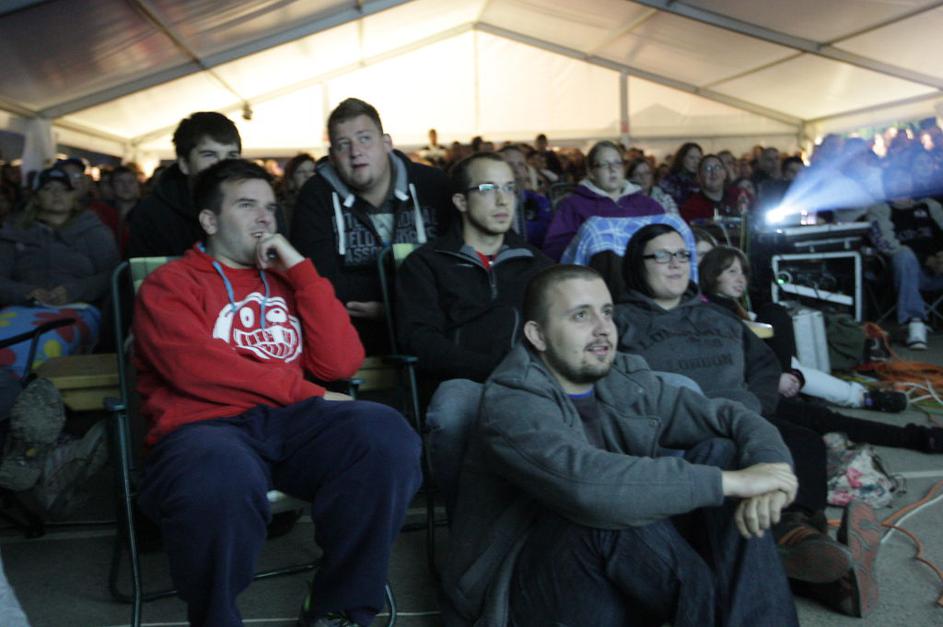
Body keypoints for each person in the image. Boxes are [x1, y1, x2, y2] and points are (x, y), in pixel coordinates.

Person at [132, 159, 422, 627]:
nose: (264, 218)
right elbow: (194, 370)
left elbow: (341, 363)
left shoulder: (289, 281)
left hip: (292, 424)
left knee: (386, 434)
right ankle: (216, 618)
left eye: (270, 207)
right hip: (205, 426)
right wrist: (306, 392)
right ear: (209, 220)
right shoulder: (169, 285)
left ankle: (340, 605)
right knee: (218, 475)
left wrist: (301, 270)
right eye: (247, 205)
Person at [443, 263, 802, 626]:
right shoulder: (512, 397)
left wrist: (770, 469)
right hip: (523, 589)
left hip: (617, 568)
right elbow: (587, 486)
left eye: (607, 312)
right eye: (581, 315)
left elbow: (733, 416)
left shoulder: (625, 378)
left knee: (723, 452)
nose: (603, 329)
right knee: (611, 510)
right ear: (538, 335)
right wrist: (732, 482)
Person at [612, 224, 882, 617]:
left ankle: (798, 531)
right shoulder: (621, 320)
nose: (676, 264)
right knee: (725, 457)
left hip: (744, 419)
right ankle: (812, 561)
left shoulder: (719, 316)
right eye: (662, 256)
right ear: (638, 265)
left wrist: (755, 406)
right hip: (680, 430)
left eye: (683, 255)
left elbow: (764, 366)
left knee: (803, 441)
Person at [700, 246, 940, 452]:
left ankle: (914, 433)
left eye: (743, 272)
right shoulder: (709, 313)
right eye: (732, 272)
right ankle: (916, 436)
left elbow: (756, 338)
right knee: (823, 421)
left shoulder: (731, 309)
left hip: (764, 386)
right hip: (748, 396)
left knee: (776, 317)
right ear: (712, 274)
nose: (741, 279)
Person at [290, 98, 452, 355]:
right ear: (332, 156)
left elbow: (455, 268)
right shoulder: (315, 196)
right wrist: (411, 296)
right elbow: (319, 279)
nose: (355, 152)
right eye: (343, 145)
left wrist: (396, 306)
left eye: (365, 138)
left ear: (387, 143)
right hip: (354, 341)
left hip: (438, 332)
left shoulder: (433, 185)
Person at [395, 153, 553, 387]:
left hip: (532, 384)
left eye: (509, 188)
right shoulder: (425, 264)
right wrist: (498, 371)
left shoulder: (538, 264)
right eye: (487, 188)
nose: (502, 200)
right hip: (460, 385)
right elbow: (421, 342)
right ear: (461, 201)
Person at [128, 111, 247, 257]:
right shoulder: (152, 215)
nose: (223, 164)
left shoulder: (258, 206)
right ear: (184, 164)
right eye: (210, 155)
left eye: (232, 155)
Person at [542, 140, 663, 261]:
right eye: (604, 164)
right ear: (591, 172)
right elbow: (554, 250)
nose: (612, 169)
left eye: (617, 163)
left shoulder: (648, 204)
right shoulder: (573, 205)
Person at [868, 163, 943, 349]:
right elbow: (885, 243)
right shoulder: (879, 209)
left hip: (939, 267)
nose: (902, 182)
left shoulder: (930, 206)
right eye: (896, 179)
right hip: (902, 271)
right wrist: (925, 260)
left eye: (905, 178)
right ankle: (914, 323)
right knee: (904, 255)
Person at [498, 145, 553, 247]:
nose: (516, 170)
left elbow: (548, 236)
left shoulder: (538, 201)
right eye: (509, 164)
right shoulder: (487, 198)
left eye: (521, 165)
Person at [92, 165, 140, 256]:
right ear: (112, 186)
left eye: (131, 181)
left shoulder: (147, 214)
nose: (126, 186)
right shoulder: (101, 213)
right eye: (119, 181)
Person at [679, 154, 734, 222]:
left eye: (717, 167)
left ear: (725, 174)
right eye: (707, 169)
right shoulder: (691, 208)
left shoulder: (737, 196)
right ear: (699, 177)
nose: (713, 172)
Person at [278, 152, 316, 233]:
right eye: (301, 172)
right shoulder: (283, 210)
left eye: (312, 171)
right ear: (291, 178)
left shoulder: (325, 204)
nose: (307, 175)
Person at [658, 142, 702, 206]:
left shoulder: (701, 181)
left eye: (699, 158)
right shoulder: (669, 181)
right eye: (691, 157)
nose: (696, 162)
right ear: (682, 158)